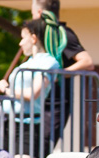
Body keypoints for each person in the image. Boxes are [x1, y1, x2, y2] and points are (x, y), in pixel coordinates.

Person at [0, 18, 60, 158]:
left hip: (27, 125)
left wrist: (7, 89)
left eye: (23, 38)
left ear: (33, 38)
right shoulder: (28, 62)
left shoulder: (49, 62)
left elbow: (33, 93)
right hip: (7, 122)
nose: (20, 43)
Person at [30, 0, 95, 144]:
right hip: (38, 101)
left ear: (40, 13)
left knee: (42, 145)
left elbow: (87, 62)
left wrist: (57, 73)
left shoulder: (62, 33)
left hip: (56, 101)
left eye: (33, 14)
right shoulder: (38, 36)